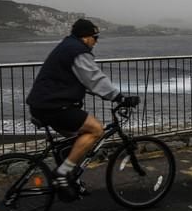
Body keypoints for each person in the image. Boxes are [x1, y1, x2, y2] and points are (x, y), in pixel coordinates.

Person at [26, 18, 137, 200]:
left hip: (42, 104)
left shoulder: (67, 46)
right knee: (96, 129)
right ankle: (62, 175)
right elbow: (94, 78)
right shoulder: (78, 52)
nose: (96, 41)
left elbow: (77, 79)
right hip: (54, 106)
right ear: (86, 38)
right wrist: (120, 97)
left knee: (75, 140)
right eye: (95, 37)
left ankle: (70, 182)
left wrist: (95, 92)